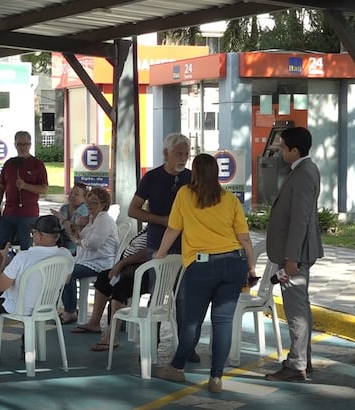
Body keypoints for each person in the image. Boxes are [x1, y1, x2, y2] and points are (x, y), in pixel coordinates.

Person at [153, 153, 255, 394]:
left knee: (191, 321)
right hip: (233, 263)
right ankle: (216, 377)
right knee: (223, 322)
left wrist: (160, 253)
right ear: (216, 173)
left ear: (195, 173)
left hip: (201, 267)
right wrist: (251, 268)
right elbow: (244, 239)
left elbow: (172, 229)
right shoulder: (230, 199)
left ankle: (177, 367)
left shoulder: (185, 195)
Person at [127, 132, 199, 362]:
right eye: (179, 153)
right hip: (158, 244)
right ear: (166, 153)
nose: (183, 158)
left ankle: (187, 346)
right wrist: (162, 220)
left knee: (185, 298)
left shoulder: (192, 177)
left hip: (187, 246)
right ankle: (152, 342)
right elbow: (133, 210)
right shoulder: (152, 177)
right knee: (157, 295)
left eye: (186, 154)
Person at [0, 215, 73, 364]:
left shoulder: (24, 257)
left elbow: (0, 286)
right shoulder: (66, 254)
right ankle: (27, 350)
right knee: (29, 299)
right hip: (47, 306)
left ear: (40, 235)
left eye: (33, 233)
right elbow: (66, 280)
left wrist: (4, 262)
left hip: (19, 306)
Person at [264, 126, 324, 382]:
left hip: (295, 255)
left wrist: (291, 258)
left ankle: (297, 364)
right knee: (301, 308)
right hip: (296, 252)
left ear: (294, 150)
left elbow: (301, 219)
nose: (279, 150)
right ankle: (302, 359)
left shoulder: (303, 173)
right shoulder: (303, 170)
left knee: (296, 310)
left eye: (282, 146)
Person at [73, 229, 149, 352]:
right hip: (129, 268)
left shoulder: (160, 229)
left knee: (121, 286)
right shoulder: (148, 228)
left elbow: (147, 252)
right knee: (104, 278)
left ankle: (111, 336)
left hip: (146, 273)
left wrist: (121, 264)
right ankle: (94, 322)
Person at [0, 131, 48, 282]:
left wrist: (25, 186)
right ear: (15, 145)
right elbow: (1, 187)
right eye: (19, 144)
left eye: (26, 144)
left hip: (28, 214)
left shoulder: (37, 164)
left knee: (27, 247)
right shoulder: (9, 163)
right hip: (9, 212)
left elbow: (43, 189)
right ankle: (3, 275)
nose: (23, 147)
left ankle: (25, 278)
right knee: (1, 245)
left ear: (30, 144)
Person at [58, 187, 118, 325]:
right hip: (88, 259)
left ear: (103, 204)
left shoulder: (104, 220)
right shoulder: (93, 219)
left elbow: (94, 243)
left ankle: (70, 311)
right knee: (62, 266)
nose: (90, 206)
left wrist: (78, 241)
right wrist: (78, 228)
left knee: (68, 272)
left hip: (100, 263)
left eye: (94, 203)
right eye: (88, 202)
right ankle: (67, 307)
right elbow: (82, 238)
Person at [51, 182, 89, 255]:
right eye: (71, 193)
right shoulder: (64, 208)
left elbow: (74, 231)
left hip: (77, 246)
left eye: (76, 194)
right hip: (60, 243)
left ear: (85, 198)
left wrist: (62, 219)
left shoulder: (85, 211)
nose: (72, 196)